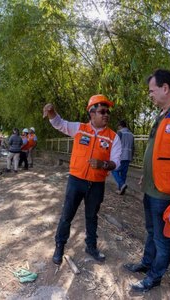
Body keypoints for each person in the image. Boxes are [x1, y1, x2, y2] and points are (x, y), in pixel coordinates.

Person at [124, 69, 170, 292]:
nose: (150, 95)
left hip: (168, 193)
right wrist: (148, 172)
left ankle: (155, 276)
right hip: (152, 188)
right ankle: (146, 264)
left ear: (165, 88)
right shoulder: (161, 114)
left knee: (163, 238)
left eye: (152, 90)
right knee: (152, 231)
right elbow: (159, 151)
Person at [43, 95, 122, 265]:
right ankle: (59, 246)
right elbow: (59, 123)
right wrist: (51, 112)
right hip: (76, 181)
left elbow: (117, 163)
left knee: (92, 217)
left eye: (107, 112)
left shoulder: (113, 137)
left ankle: (91, 247)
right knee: (67, 215)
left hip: (96, 184)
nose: (106, 114)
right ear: (92, 113)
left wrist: (103, 164)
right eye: (102, 111)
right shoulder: (79, 129)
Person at [111, 120, 134, 195]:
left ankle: (122, 184)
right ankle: (121, 189)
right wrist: (132, 156)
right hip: (128, 156)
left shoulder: (120, 133)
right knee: (123, 173)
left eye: (118, 127)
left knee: (114, 170)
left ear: (120, 126)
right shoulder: (131, 134)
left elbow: (116, 144)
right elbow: (133, 146)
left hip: (120, 155)